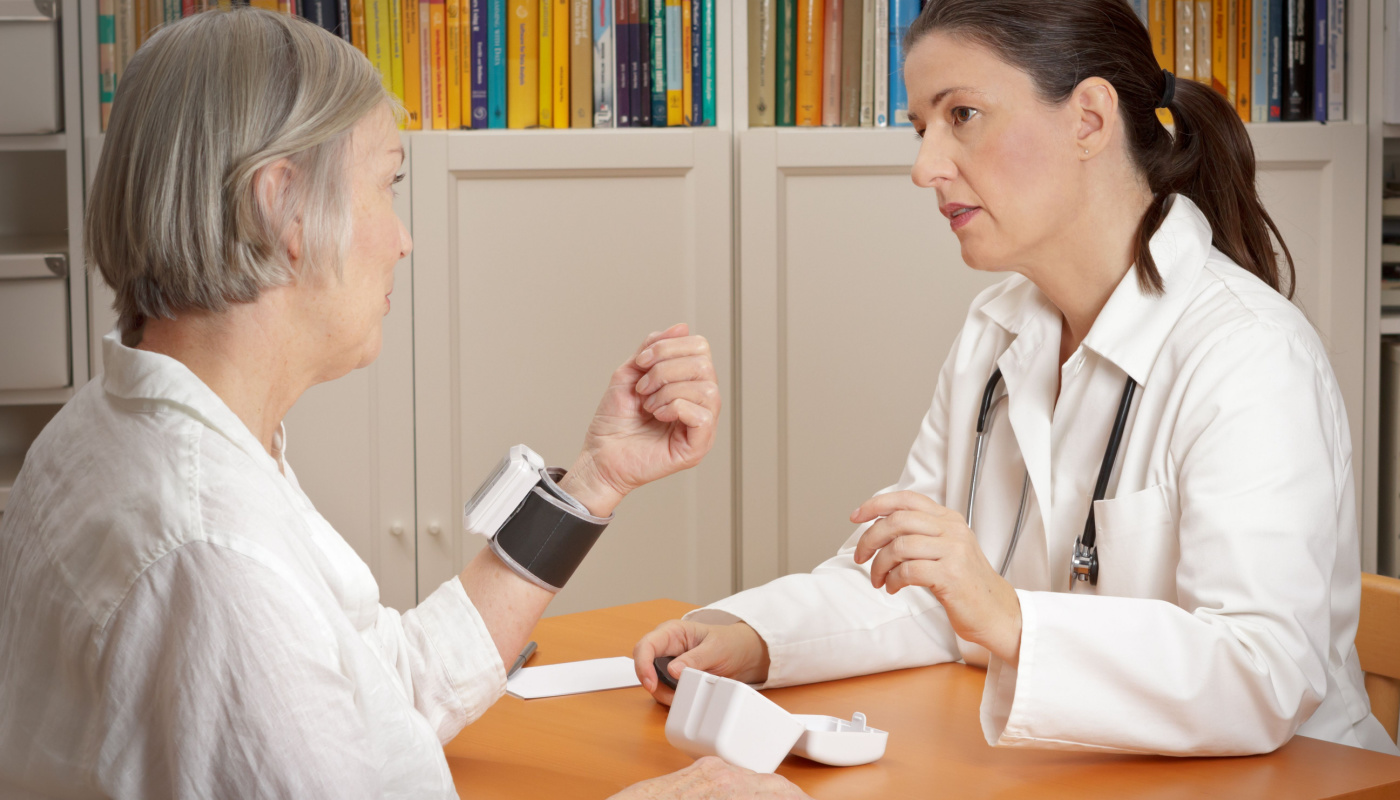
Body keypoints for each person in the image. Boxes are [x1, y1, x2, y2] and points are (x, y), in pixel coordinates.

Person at [0, 9, 809, 799]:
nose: (403, 238)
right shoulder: (215, 553)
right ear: (279, 206)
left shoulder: (116, 429)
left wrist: (595, 481)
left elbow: (389, 688)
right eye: (386, 185)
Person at [634, 0, 1400, 757]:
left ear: (1090, 121)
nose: (925, 166)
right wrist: (754, 638)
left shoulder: (1249, 355)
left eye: (962, 114)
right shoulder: (996, 331)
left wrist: (1006, 615)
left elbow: (1262, 677)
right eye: (921, 127)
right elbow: (929, 592)